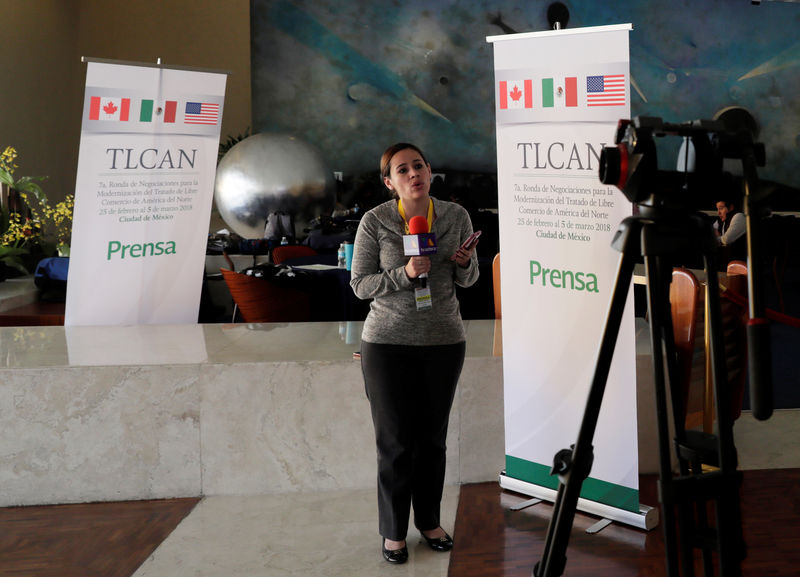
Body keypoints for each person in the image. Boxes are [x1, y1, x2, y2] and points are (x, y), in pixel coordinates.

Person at [350, 143, 479, 564]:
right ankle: (393, 532)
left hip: (443, 341)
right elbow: (359, 284)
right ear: (390, 183)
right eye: (402, 170)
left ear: (429, 170)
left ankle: (428, 522)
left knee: (432, 442)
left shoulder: (456, 216)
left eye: (418, 166)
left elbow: (470, 279)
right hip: (387, 344)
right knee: (395, 444)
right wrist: (403, 274)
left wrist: (462, 263)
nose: (413, 174)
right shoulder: (376, 222)